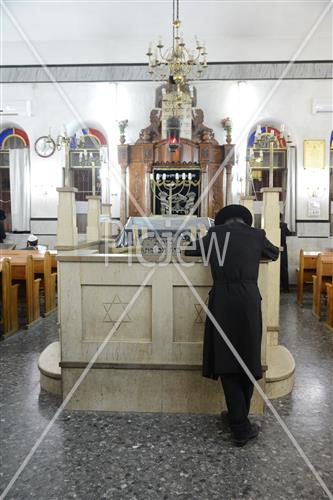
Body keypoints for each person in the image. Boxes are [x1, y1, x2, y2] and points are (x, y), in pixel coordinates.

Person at [185, 204, 279, 446]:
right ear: (244, 221)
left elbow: (191, 250)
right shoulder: (256, 235)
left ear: (222, 222)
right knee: (247, 357)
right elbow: (274, 253)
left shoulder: (215, 236)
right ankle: (239, 419)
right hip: (248, 299)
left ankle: (239, 423)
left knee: (227, 359)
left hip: (223, 301)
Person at [280, 214, 292, 293]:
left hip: (273, 247)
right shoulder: (283, 225)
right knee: (284, 268)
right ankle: (286, 288)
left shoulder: (269, 225)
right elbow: (289, 233)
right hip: (283, 249)